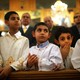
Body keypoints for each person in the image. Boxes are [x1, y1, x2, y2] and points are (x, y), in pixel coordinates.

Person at [0, 11, 29, 80]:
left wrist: (11, 67)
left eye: (18, 19)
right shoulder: (1, 40)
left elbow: (24, 57)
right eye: (13, 18)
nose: (16, 20)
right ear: (6, 22)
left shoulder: (24, 40)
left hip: (18, 74)